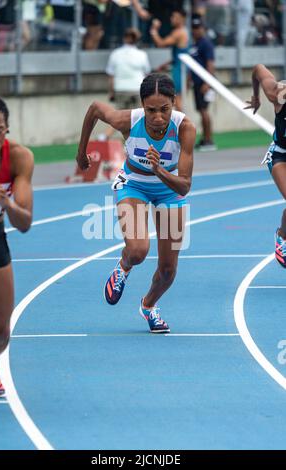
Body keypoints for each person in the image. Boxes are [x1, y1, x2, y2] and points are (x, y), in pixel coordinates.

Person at [76, 73, 195, 333]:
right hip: (133, 184)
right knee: (138, 250)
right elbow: (95, 108)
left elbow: (184, 185)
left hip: (169, 189)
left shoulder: (184, 128)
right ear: (142, 106)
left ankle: (149, 306)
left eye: (164, 109)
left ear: (174, 103)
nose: (158, 117)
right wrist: (81, 150)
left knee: (167, 271)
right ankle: (123, 267)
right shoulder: (128, 121)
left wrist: (160, 170)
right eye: (151, 110)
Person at [0, 97, 34, 396]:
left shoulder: (19, 158)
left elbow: (25, 222)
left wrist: (7, 202)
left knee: (1, 329)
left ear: (7, 129)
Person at [245, 64, 286, 268]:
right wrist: (256, 97)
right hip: (281, 156)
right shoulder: (278, 93)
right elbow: (258, 69)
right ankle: (282, 237)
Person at [99, 27, 150, 140]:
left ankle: (104, 136)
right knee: (137, 119)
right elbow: (146, 74)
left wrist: (111, 92)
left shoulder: (115, 54)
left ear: (124, 38)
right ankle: (132, 144)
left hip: (121, 89)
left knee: (119, 117)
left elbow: (111, 75)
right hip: (137, 89)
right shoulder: (142, 55)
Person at [150, 9, 188, 112]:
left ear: (182, 19)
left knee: (177, 100)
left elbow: (160, 44)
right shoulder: (183, 31)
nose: (172, 19)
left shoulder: (179, 33)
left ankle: (182, 126)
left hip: (179, 70)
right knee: (176, 99)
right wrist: (165, 64)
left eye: (175, 17)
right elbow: (180, 55)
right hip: (180, 68)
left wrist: (154, 30)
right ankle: (182, 125)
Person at [188, 14, 216, 151]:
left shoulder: (206, 44)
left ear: (203, 28)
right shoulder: (194, 45)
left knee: (204, 111)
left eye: (198, 28)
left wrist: (207, 83)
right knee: (201, 110)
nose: (195, 30)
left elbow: (210, 64)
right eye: (193, 28)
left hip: (204, 83)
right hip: (197, 83)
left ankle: (209, 140)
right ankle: (205, 138)